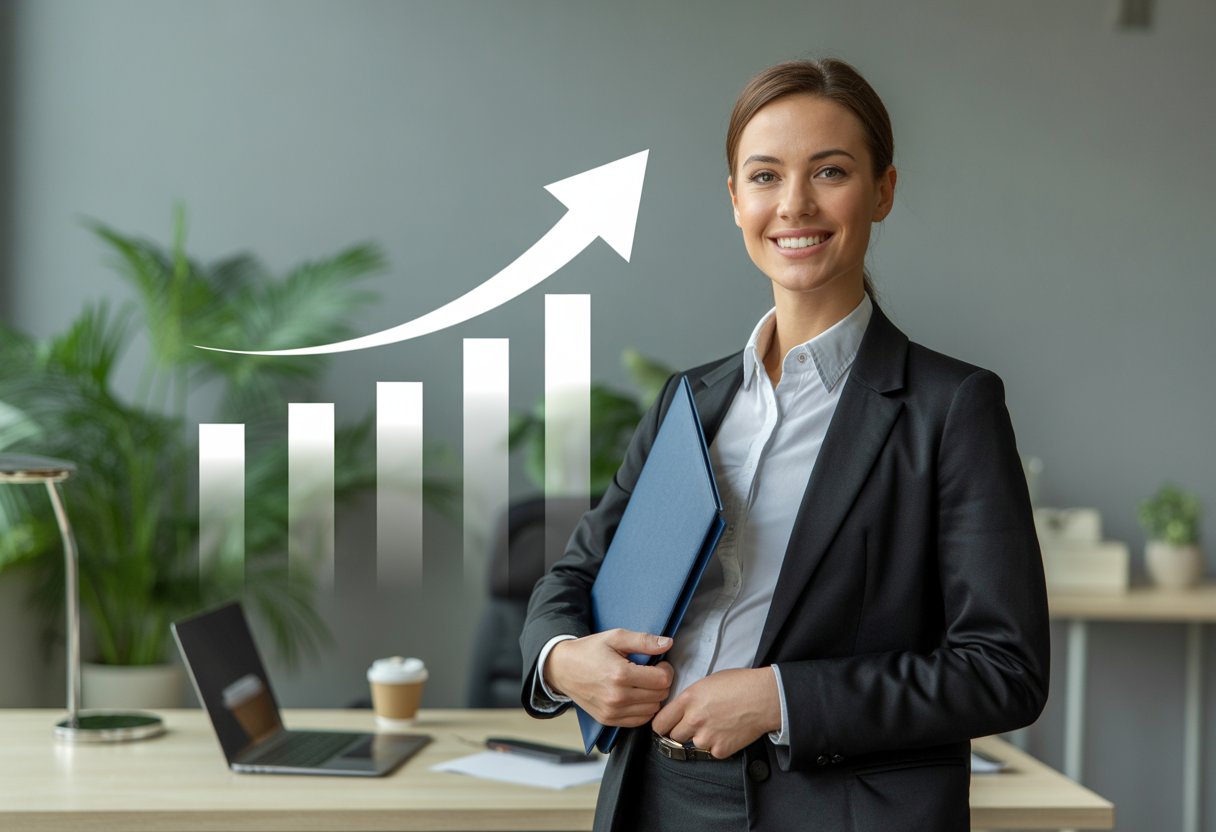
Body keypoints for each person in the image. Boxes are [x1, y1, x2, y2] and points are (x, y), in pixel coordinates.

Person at [520, 57, 1049, 832]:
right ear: (735, 199)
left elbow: (1004, 669)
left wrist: (781, 698)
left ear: (883, 191)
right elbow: (573, 576)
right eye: (764, 177)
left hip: (834, 809)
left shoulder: (950, 408)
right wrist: (563, 661)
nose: (794, 204)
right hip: (655, 799)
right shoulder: (690, 402)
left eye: (829, 171)